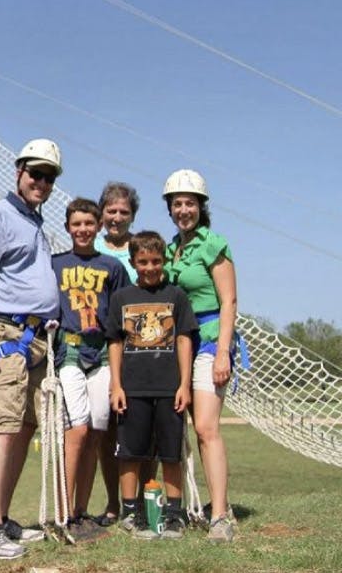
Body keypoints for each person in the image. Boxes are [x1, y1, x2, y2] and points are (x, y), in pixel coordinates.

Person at [0, 138, 63, 560]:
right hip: (6, 337)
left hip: (38, 340)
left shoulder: (35, 223)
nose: (41, 181)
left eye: (49, 176)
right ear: (18, 171)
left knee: (25, 429)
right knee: (3, 427)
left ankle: (4, 519)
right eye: (35, 173)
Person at [162, 169, 238, 542]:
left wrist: (223, 351)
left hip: (209, 340)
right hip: (179, 344)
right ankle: (183, 507)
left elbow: (229, 301)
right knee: (180, 429)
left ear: (201, 206)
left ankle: (221, 516)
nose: (183, 210)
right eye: (177, 203)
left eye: (189, 203)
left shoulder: (213, 244)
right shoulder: (169, 249)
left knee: (206, 428)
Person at [106, 231, 197, 540]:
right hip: (132, 389)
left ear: (164, 261)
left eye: (156, 261)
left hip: (169, 389)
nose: (150, 267)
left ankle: (174, 514)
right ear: (133, 263)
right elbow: (115, 344)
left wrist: (184, 384)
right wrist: (116, 386)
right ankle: (130, 512)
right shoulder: (121, 298)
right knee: (130, 454)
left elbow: (184, 340)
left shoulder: (176, 296)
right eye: (142, 262)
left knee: (171, 454)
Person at [51, 197, 127, 541]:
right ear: (68, 227)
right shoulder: (55, 264)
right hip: (69, 350)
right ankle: (64, 513)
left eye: (88, 223)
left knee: (96, 432)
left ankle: (81, 512)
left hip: (101, 354)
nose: (82, 229)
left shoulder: (111, 267)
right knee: (77, 430)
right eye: (76, 223)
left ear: (98, 227)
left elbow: (123, 314)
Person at [96, 182, 140, 283]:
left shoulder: (142, 247)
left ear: (133, 217)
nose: (117, 218)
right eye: (112, 211)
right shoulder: (91, 248)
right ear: (101, 214)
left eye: (124, 212)